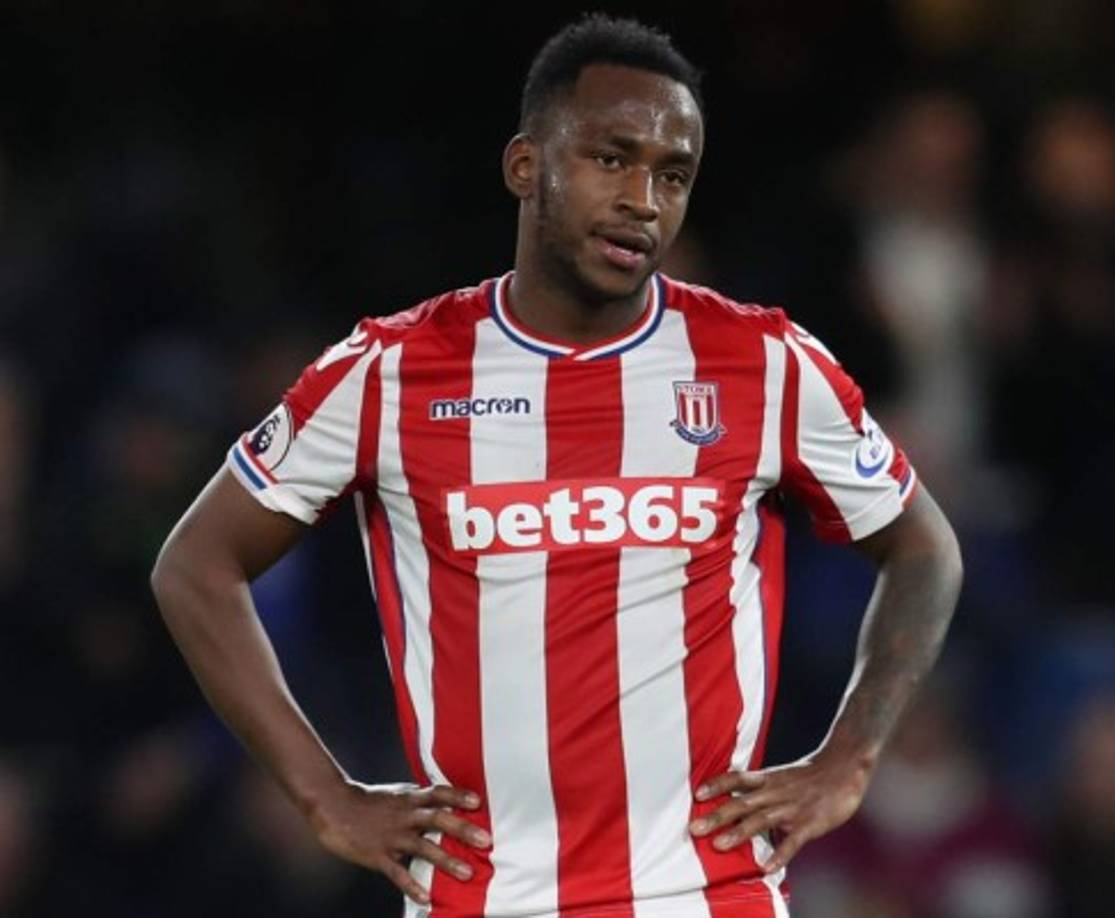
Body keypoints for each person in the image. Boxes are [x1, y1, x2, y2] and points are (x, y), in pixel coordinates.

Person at [151, 14, 962, 918]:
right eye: (611, 158)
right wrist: (325, 797)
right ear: (524, 166)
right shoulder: (390, 373)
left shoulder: (761, 364)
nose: (642, 199)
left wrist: (845, 760)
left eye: (672, 174)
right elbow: (195, 565)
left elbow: (924, 548)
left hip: (705, 894)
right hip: (481, 899)